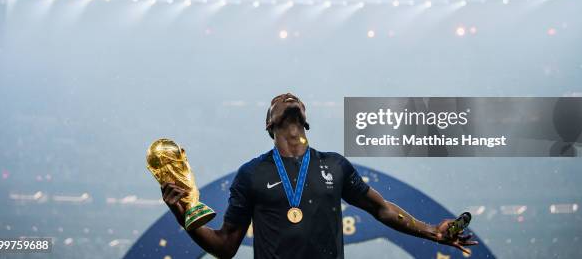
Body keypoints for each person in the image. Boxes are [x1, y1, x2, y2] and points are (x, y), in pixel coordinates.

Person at [161, 93, 478, 259]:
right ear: (269, 125)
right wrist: (182, 214)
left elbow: (381, 208)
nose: (288, 97)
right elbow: (225, 246)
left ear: (306, 120)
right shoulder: (251, 174)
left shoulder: (335, 165)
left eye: (293, 98)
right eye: (279, 101)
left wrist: (431, 230)